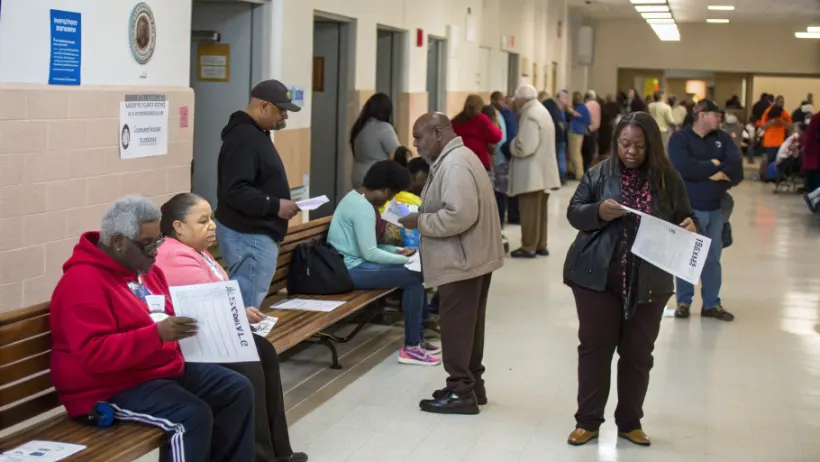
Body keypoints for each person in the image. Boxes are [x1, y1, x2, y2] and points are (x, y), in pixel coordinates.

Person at [50, 196, 255, 462]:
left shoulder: (145, 271)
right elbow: (94, 354)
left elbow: (166, 314)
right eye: (147, 245)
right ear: (119, 242)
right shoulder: (82, 283)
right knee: (191, 416)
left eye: (158, 240)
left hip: (155, 371)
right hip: (106, 388)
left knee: (236, 389)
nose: (156, 252)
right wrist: (157, 335)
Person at [563, 112, 697, 448]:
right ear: (616, 143)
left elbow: (685, 215)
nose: (632, 151)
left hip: (649, 282)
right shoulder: (599, 173)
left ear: (651, 145)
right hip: (597, 277)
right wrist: (597, 212)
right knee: (595, 350)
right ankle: (588, 421)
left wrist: (691, 224)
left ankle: (630, 422)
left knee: (638, 355)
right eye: (625, 144)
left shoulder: (668, 179)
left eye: (639, 145)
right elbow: (574, 212)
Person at [156, 193, 308, 462]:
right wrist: (236, 310)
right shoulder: (172, 255)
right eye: (203, 221)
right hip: (186, 345)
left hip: (207, 335)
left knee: (264, 352)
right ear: (178, 227)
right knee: (247, 363)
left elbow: (217, 296)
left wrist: (239, 310)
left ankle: (278, 450)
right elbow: (207, 302)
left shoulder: (197, 252)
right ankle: (259, 455)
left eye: (211, 219)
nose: (212, 225)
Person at [400, 112, 504, 415]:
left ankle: (461, 392)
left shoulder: (455, 164)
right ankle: (472, 385)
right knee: (469, 327)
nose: (415, 144)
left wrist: (420, 221)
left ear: (438, 133)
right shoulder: (458, 157)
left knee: (458, 328)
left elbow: (459, 215)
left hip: (461, 260)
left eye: (419, 137)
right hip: (472, 257)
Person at [328, 160, 441, 366]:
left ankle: (416, 339)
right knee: (413, 277)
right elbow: (370, 253)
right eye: (391, 194)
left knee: (414, 274)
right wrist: (405, 259)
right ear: (384, 189)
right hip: (349, 271)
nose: (390, 199)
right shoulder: (362, 208)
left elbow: (371, 247)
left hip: (355, 265)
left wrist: (398, 251)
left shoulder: (356, 199)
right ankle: (412, 346)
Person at [215, 79, 301, 311]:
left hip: (253, 233)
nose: (284, 115)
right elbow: (235, 190)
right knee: (246, 308)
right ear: (264, 106)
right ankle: (245, 347)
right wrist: (275, 206)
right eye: (281, 109)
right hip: (248, 233)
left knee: (249, 304)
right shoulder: (244, 137)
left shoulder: (255, 133)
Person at [668, 99, 743, 322]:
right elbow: (682, 167)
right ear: (701, 115)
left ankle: (711, 304)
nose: (720, 119)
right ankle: (683, 302)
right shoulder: (680, 139)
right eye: (716, 115)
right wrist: (714, 167)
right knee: (686, 257)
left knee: (712, 259)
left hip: (716, 209)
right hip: (689, 209)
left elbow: (736, 168)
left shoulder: (722, 139)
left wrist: (704, 173)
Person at [508, 85, 561, 258]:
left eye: (516, 100)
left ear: (522, 99)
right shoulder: (542, 110)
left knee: (529, 212)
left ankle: (528, 246)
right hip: (542, 171)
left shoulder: (530, 115)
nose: (515, 103)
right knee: (540, 213)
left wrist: (511, 145)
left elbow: (525, 147)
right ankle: (540, 244)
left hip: (531, 172)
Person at [350, 93, 401, 187]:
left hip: (357, 176)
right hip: (376, 178)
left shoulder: (359, 127)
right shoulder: (384, 127)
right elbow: (396, 154)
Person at [452, 94, 503, 171]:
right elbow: (496, 136)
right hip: (479, 162)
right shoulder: (481, 119)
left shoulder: (456, 121)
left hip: (460, 162)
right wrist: (496, 123)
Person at [491, 91, 520, 224]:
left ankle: (500, 218)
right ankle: (511, 216)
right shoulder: (508, 114)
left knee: (500, 190)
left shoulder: (502, 115)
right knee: (507, 187)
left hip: (501, 156)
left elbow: (501, 138)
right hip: (508, 154)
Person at [759, 95, 793, 179]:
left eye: (782, 102)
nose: (781, 103)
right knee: (769, 160)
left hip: (780, 141)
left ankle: (776, 176)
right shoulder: (768, 112)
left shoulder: (784, 113)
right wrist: (771, 122)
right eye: (779, 101)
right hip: (770, 141)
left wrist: (783, 123)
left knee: (779, 161)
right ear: (775, 102)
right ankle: (766, 176)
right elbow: (762, 126)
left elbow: (791, 127)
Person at [544, 90, 570, 184]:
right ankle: (559, 178)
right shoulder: (553, 108)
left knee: (560, 157)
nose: (566, 100)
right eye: (564, 97)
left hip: (560, 137)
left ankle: (561, 177)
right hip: (556, 137)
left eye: (567, 97)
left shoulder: (562, 109)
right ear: (558, 98)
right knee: (558, 157)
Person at [568, 91, 592, 179]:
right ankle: (575, 171)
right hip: (580, 132)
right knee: (575, 153)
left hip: (575, 132)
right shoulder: (583, 107)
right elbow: (589, 121)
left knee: (575, 153)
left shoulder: (579, 107)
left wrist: (572, 112)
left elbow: (585, 118)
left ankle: (579, 174)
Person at [583, 90, 602, 170]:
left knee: (586, 150)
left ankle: (586, 167)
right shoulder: (597, 105)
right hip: (596, 130)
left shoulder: (586, 105)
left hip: (588, 130)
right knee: (593, 150)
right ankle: (592, 166)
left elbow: (585, 118)